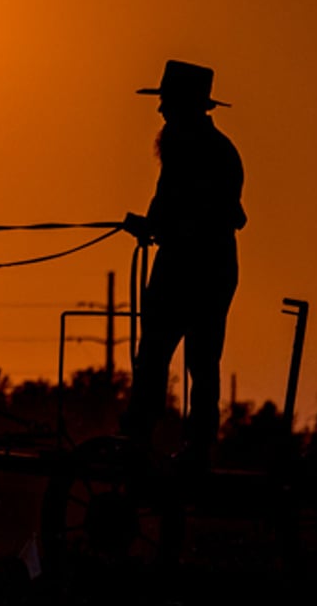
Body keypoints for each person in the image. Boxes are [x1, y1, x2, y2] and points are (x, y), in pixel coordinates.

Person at [120, 60, 247, 469]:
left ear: (185, 107)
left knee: (158, 351)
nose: (160, 111)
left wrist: (153, 226)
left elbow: (186, 209)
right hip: (212, 266)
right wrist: (155, 224)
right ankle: (194, 446)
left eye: (166, 103)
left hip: (188, 267)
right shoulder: (213, 150)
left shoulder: (186, 148)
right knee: (200, 359)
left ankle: (140, 436)